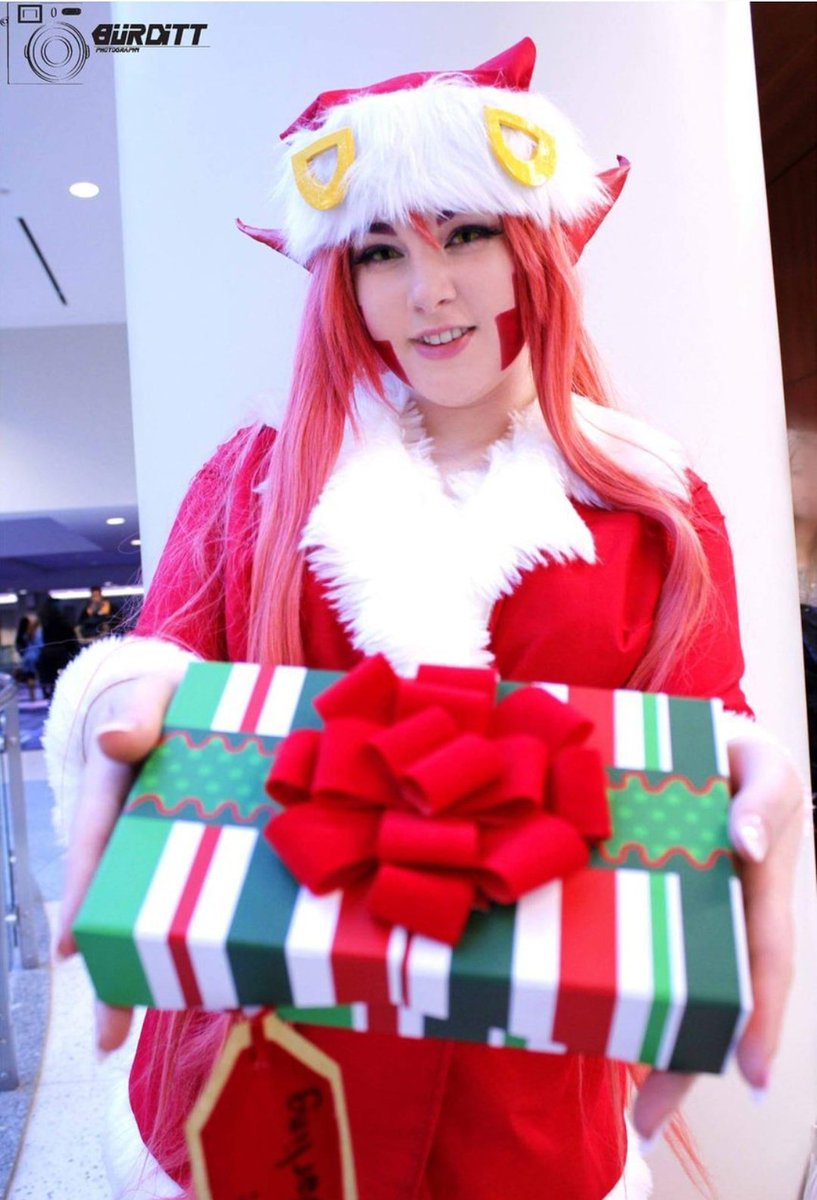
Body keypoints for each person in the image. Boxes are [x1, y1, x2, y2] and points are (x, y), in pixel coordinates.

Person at [45, 38, 804, 1200]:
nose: (427, 291)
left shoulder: (654, 506)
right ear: (341, 282)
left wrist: (736, 782)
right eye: (380, 251)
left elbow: (703, 735)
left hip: (524, 1111)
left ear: (537, 244)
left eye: (466, 234)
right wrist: (122, 700)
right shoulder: (254, 484)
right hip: (255, 1084)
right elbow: (164, 661)